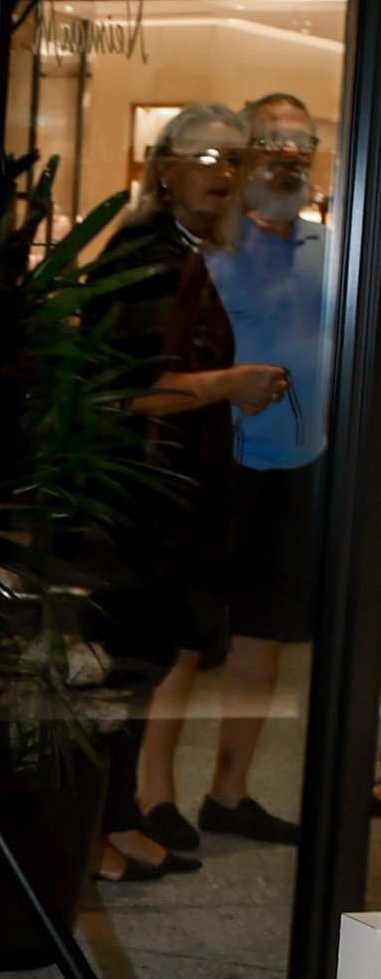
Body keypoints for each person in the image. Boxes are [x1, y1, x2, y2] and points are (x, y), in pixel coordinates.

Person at [81, 106, 285, 875]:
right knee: (121, 669)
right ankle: (97, 832)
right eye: (202, 157)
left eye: (232, 160)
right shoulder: (147, 252)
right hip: (130, 505)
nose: (221, 175)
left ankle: (119, 818)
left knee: (143, 662)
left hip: (160, 505)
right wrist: (230, 384)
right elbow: (133, 393)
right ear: (162, 168)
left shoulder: (181, 252)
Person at [198, 91, 332, 845]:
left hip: (300, 467)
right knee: (187, 638)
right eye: (272, 143)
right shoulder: (212, 244)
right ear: (245, 153)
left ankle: (229, 793)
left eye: (301, 145)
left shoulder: (331, 246)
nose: (288, 156)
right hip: (220, 465)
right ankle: (149, 803)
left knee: (264, 636)